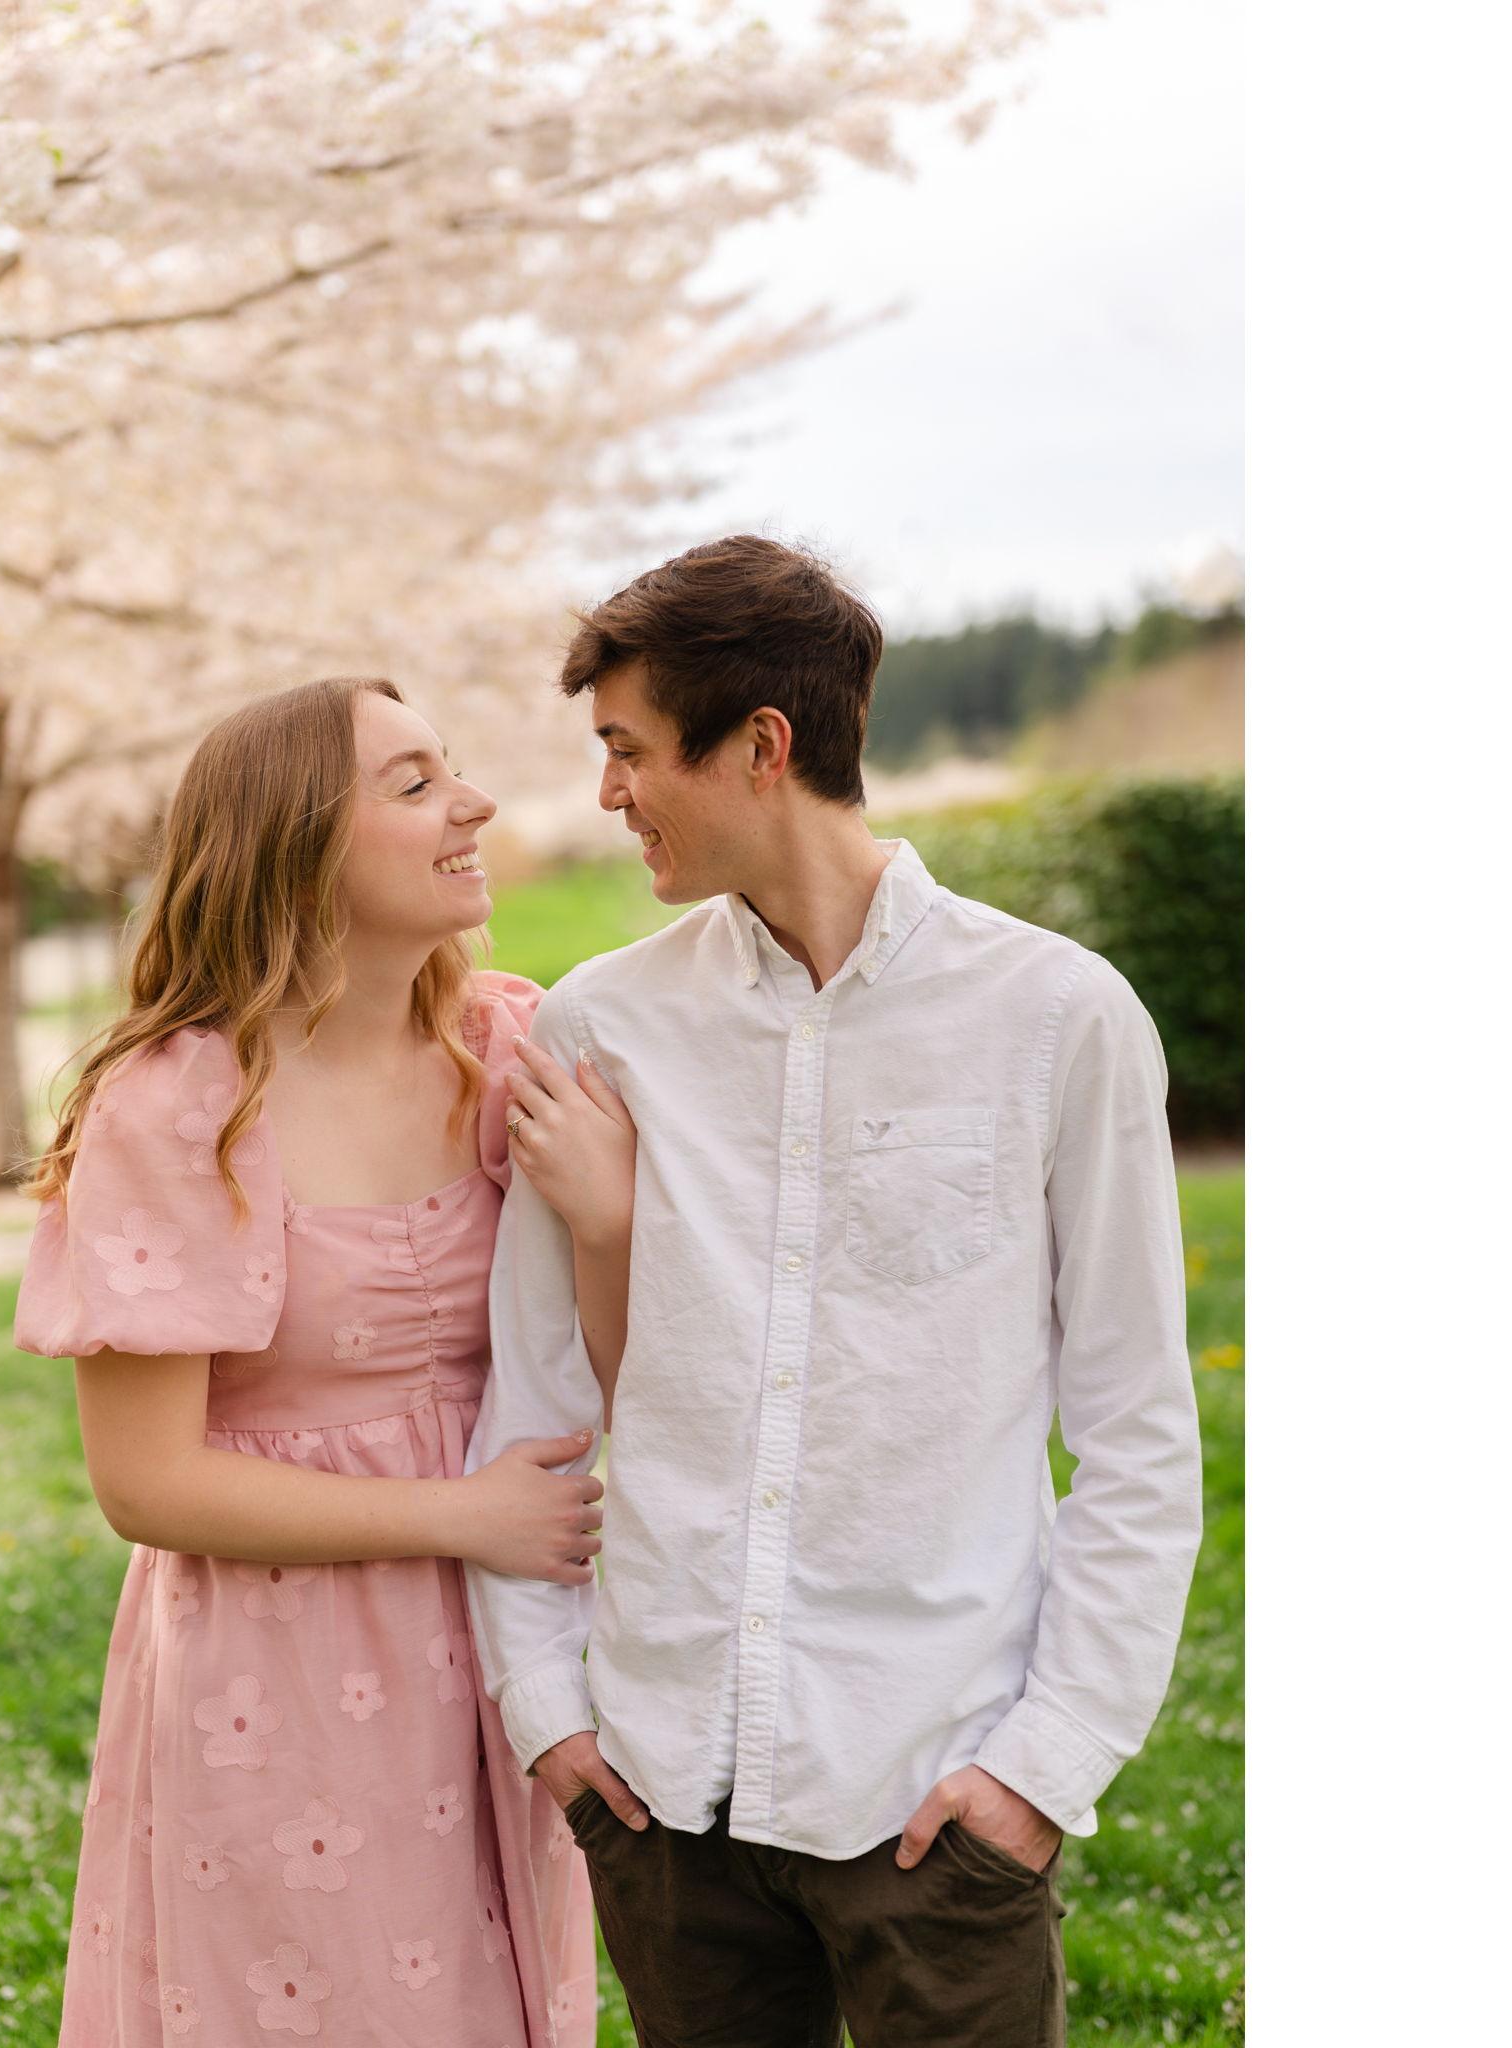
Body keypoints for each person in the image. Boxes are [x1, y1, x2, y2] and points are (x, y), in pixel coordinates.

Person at [466, 536, 1206, 2048]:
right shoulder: (603, 1029)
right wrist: (548, 1716)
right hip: (663, 1788)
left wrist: (1044, 1767)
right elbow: (529, 1403)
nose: (606, 793)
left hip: (936, 1788)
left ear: (760, 746)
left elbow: (1138, 1433)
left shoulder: (1059, 1019)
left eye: (626, 749)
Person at [12, 676, 633, 2048]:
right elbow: (146, 1483)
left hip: (510, 1640)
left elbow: (620, 1366)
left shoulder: (509, 1051)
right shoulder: (180, 1110)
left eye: (452, 771)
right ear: (294, 848)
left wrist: (610, 1222)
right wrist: (458, 1515)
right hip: (278, 1665)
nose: (471, 804)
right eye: (412, 786)